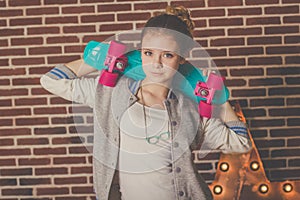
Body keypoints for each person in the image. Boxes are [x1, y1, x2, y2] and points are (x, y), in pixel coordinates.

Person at [40, 5, 252, 200]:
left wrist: (221, 100)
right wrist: (97, 58)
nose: (156, 63)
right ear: (140, 52)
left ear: (182, 58)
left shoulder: (189, 109)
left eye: (167, 55)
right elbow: (51, 80)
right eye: (148, 53)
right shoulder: (109, 93)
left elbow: (240, 143)